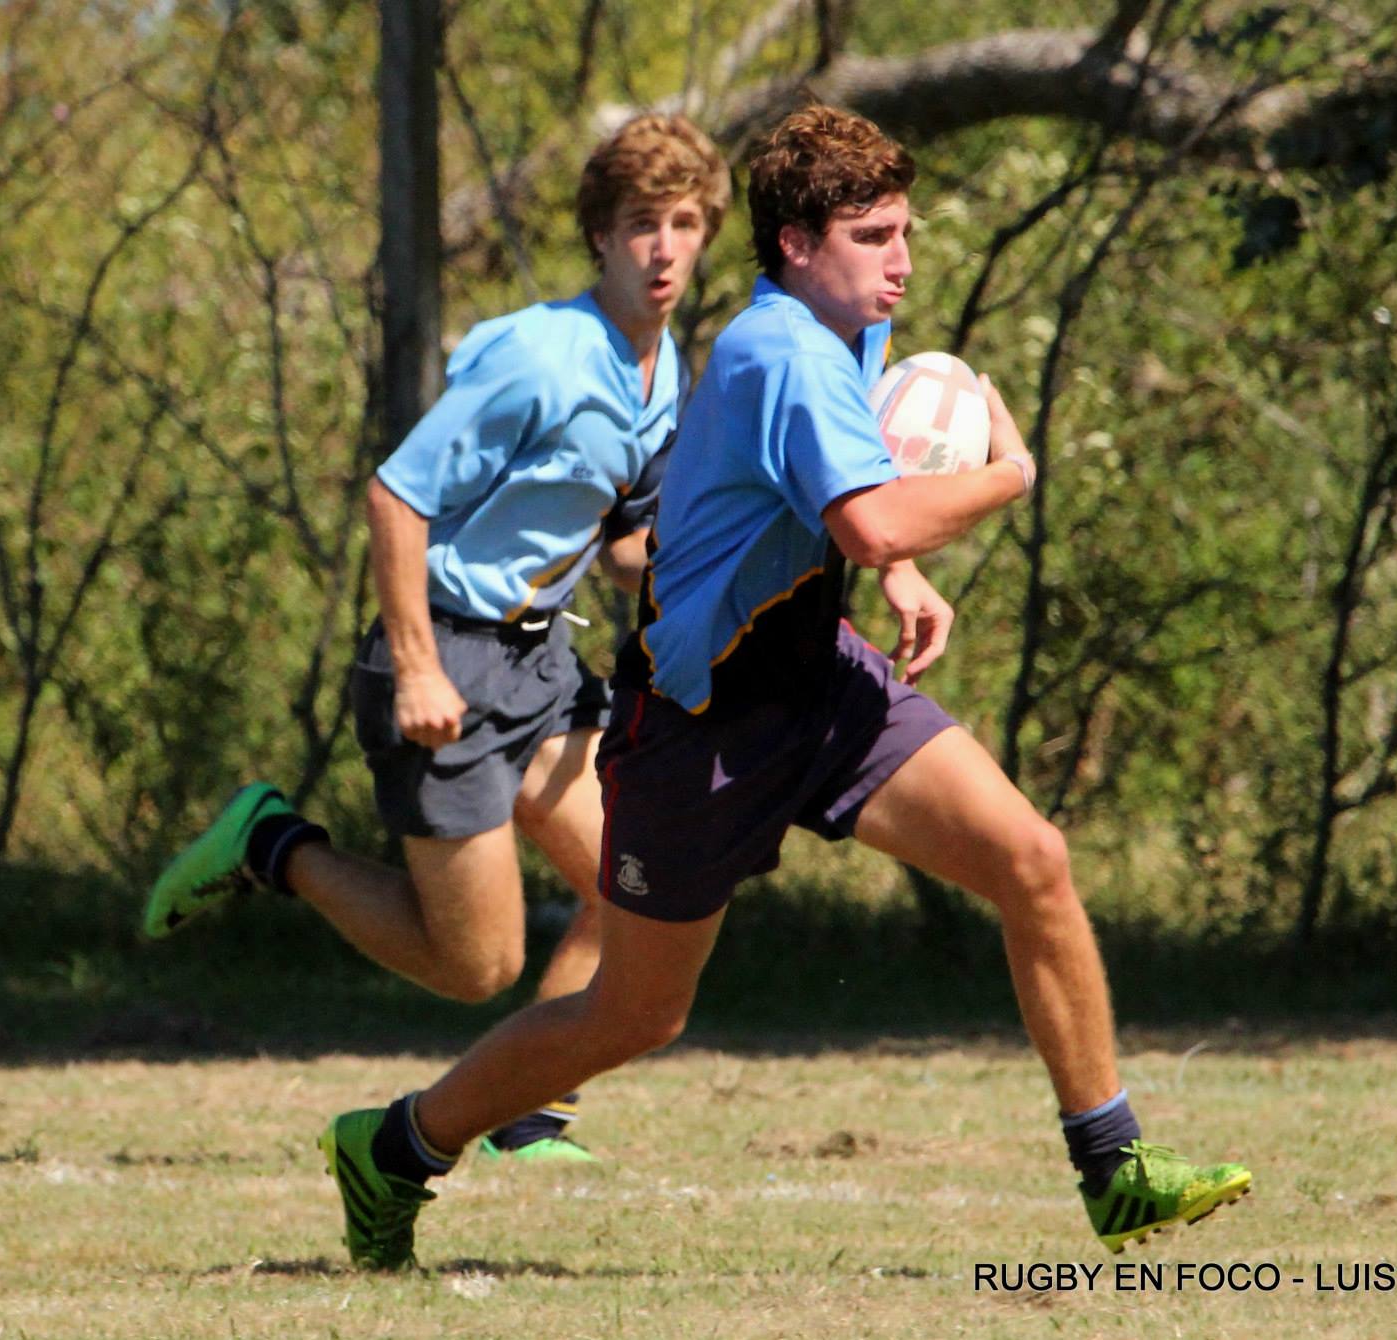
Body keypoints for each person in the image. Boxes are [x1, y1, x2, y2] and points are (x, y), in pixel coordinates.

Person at [316, 104, 1251, 1270]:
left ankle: (1113, 1168)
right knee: (635, 1015)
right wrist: (1006, 473)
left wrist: (901, 573)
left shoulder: (845, 326)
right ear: (797, 244)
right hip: (698, 729)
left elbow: (841, 504)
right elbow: (862, 517)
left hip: (817, 680)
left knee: (1031, 858)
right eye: (874, 236)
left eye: (904, 231)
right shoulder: (779, 350)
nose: (901, 261)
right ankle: (395, 1148)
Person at [142, 114, 731, 1165]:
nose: (663, 246)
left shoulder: (664, 365)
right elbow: (395, 496)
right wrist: (415, 664)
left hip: (541, 662)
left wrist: (733, 564)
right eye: (642, 221)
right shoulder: (543, 358)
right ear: (599, 234)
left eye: (684, 223)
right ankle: (271, 844)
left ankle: (525, 1113)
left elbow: (624, 544)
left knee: (643, 875)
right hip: (448, 656)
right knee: (476, 965)